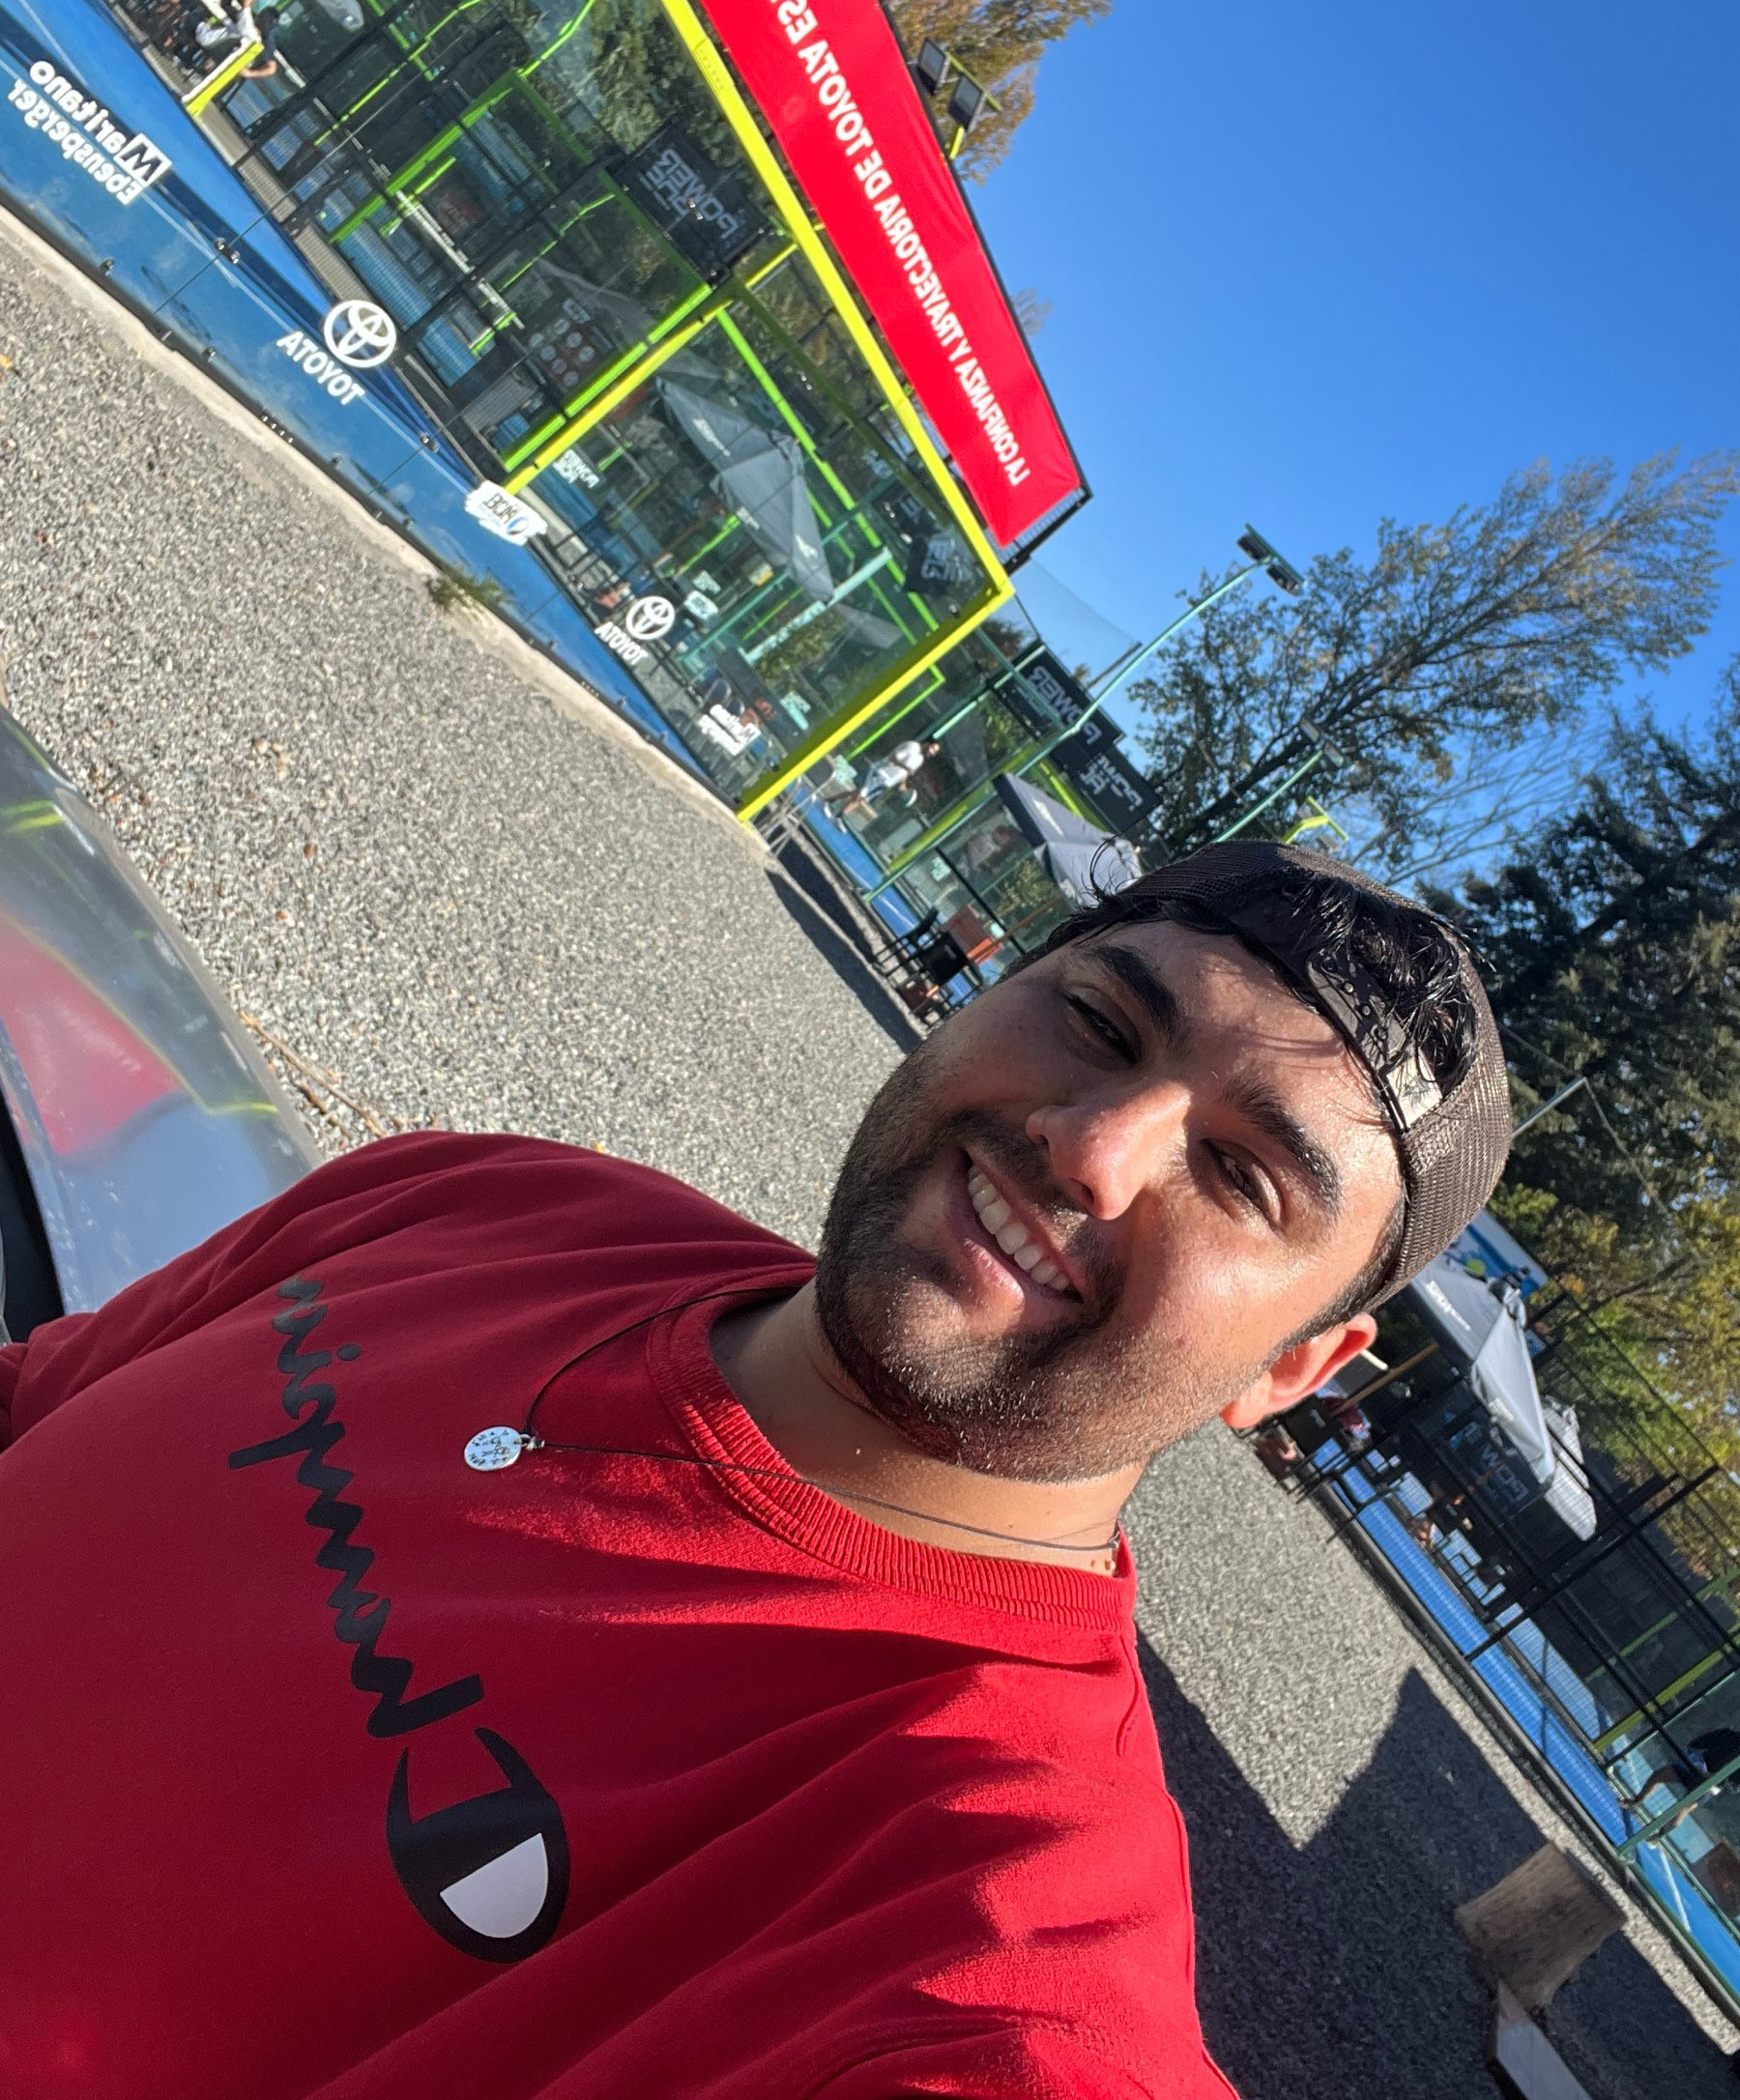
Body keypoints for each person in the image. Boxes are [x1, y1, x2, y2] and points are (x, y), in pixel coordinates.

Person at [0, 841, 1511, 2097]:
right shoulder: (494, 1201)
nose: (1092, 1148)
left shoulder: (985, 1900)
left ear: (1289, 1371)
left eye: (1242, 1174)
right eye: (1103, 1026)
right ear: (981, 998)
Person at [833, 733, 942, 819]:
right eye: (933, 748)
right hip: (880, 772)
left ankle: (829, 801)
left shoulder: (920, 759)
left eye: (935, 752)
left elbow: (905, 773)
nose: (932, 752)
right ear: (927, 743)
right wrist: (906, 768)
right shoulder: (912, 746)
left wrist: (903, 785)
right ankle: (839, 816)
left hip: (886, 782)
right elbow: (893, 757)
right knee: (859, 797)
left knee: (858, 795)